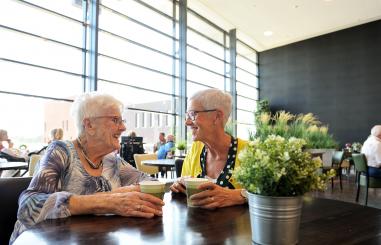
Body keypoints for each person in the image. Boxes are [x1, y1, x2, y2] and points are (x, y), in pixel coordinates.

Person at [10, 92, 164, 243]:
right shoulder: (61, 152)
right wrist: (105, 201)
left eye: (122, 120)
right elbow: (28, 206)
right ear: (89, 125)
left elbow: (151, 183)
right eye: (115, 120)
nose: (123, 127)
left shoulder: (112, 161)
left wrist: (120, 195)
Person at [170, 88, 248, 209]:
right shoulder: (196, 149)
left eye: (193, 114)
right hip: (198, 226)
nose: (187, 122)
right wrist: (179, 184)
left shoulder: (250, 152)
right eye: (187, 115)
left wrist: (239, 195)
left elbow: (275, 194)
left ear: (217, 116)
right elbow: (185, 185)